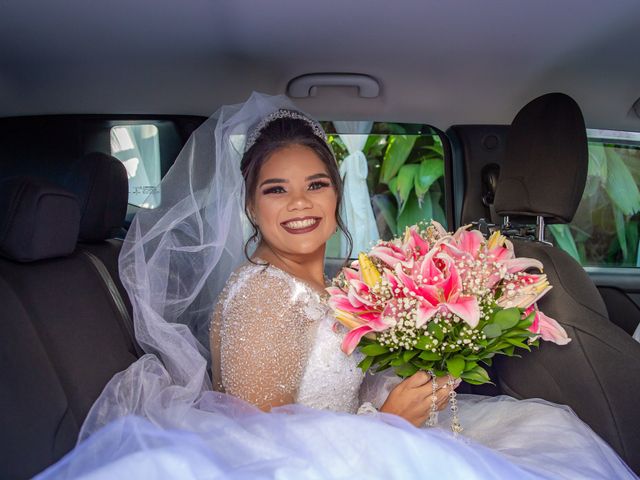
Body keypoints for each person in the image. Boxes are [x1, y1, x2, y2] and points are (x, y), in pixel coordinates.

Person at [38, 93, 636, 479]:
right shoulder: (262, 297)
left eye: (316, 184)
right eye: (276, 189)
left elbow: (341, 386)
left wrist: (429, 364)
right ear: (249, 206)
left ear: (334, 192)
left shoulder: (340, 284)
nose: (299, 203)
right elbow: (257, 454)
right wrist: (392, 425)